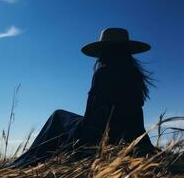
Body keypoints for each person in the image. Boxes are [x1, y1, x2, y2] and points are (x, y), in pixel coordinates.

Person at [9, 28, 155, 168]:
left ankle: (25, 163)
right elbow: (135, 115)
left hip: (101, 136)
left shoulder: (103, 73)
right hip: (131, 135)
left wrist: (84, 145)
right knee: (62, 117)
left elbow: (91, 117)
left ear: (104, 51)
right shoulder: (135, 75)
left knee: (58, 116)